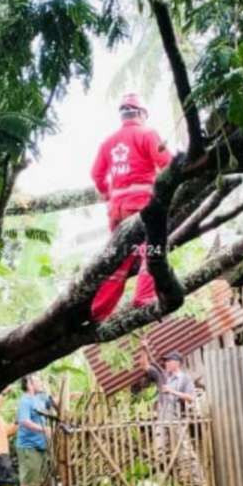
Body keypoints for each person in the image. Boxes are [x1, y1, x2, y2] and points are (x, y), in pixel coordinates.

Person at [89, 93, 173, 322]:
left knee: (119, 259)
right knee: (152, 251)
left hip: (117, 209)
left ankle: (98, 310)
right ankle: (144, 297)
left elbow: (96, 174)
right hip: (142, 205)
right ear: (141, 114)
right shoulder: (147, 134)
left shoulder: (108, 142)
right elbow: (169, 164)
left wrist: (108, 193)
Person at [153, 351, 204, 486]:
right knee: (161, 451)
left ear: (177, 363)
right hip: (163, 419)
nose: (166, 363)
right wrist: (145, 349)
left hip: (177, 418)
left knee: (185, 451)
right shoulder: (165, 377)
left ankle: (197, 483)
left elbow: (190, 397)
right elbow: (152, 366)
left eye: (168, 361)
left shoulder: (185, 379)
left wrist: (172, 391)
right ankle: (177, 480)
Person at [15, 375, 55, 486]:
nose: (40, 382)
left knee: (40, 474)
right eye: (37, 380)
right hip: (28, 444)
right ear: (29, 384)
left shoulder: (38, 399)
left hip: (40, 444)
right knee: (28, 473)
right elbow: (24, 421)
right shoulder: (25, 401)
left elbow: (53, 403)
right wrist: (44, 429)